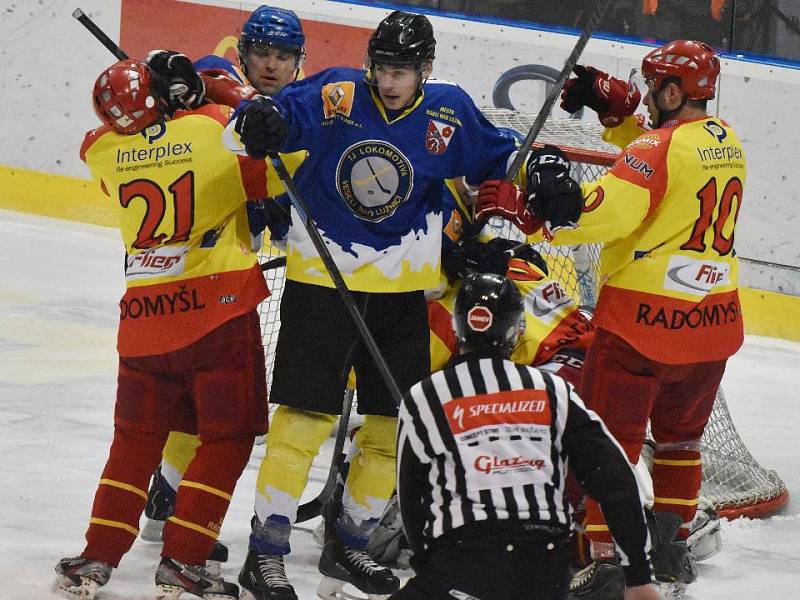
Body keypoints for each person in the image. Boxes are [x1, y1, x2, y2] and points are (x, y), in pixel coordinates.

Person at [229, 9, 521, 599]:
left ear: (426, 69)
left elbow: (502, 161)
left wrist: (502, 212)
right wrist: (253, 120)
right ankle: (265, 552)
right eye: (382, 68)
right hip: (323, 286)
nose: (389, 82)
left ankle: (351, 542)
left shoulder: (449, 111)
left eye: (402, 71)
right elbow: (254, 125)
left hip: (402, 297)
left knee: (393, 427)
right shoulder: (335, 93)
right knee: (304, 420)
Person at [475, 40, 745, 597]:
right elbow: (665, 162)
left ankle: (604, 556)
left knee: (608, 444)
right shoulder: (724, 139)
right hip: (713, 325)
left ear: (673, 91)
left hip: (643, 328)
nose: (648, 96)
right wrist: (621, 118)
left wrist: (533, 216)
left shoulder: (658, 146)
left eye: (654, 88)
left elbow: (607, 213)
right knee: (680, 444)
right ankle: (671, 546)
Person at [53, 57, 271, 599]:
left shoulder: (104, 152)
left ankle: (96, 556)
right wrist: (212, 87)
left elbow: (96, 137)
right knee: (226, 439)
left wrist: (163, 104)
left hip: (146, 323)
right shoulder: (212, 127)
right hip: (217, 318)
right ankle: (184, 558)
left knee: (135, 441)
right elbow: (266, 158)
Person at [140, 5, 308, 551]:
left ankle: (166, 491)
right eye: (262, 52)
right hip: (187, 262)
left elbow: (279, 194)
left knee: (197, 398)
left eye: (283, 56)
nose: (271, 64)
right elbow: (166, 77)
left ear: (298, 61)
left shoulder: (295, 109)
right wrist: (178, 80)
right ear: (243, 51)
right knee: (206, 402)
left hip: (225, 265)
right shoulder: (216, 74)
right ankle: (172, 499)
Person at [392, 272, 658, 600]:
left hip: (461, 559)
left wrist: (432, 571)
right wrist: (637, 574)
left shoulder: (422, 396)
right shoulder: (553, 390)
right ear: (517, 330)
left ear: (457, 327)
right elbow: (615, 478)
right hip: (543, 564)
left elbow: (411, 501)